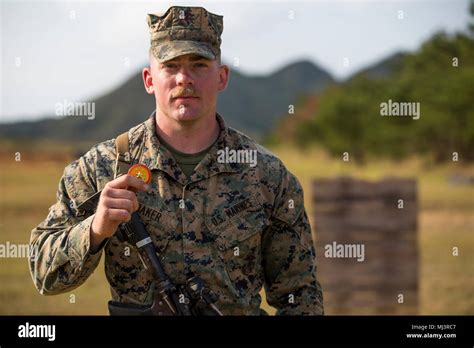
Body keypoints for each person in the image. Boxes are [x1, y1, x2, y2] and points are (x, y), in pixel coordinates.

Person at [29, 5, 324, 315]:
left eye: (198, 64)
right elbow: (43, 275)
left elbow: (301, 296)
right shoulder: (102, 168)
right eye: (170, 66)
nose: (184, 78)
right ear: (149, 79)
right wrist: (95, 229)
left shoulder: (268, 176)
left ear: (222, 77)